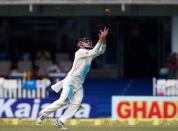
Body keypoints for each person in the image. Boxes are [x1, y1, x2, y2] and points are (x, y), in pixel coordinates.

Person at [37, 27, 109, 129]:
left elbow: (102, 50)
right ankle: (42, 114)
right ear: (80, 45)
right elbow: (95, 50)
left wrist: (103, 39)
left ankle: (60, 122)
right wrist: (100, 39)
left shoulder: (89, 55)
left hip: (79, 84)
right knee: (63, 101)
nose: (88, 42)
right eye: (85, 42)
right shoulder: (79, 52)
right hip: (70, 81)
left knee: (76, 105)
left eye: (88, 41)